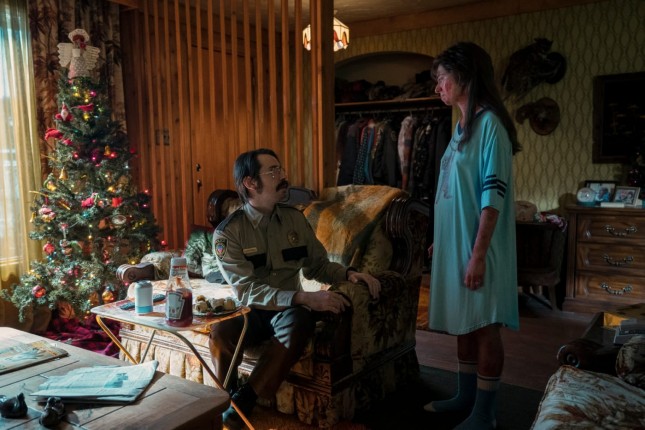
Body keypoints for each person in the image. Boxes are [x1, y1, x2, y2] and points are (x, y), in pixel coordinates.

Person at [209, 148, 381, 430]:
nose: (283, 176)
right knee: (221, 331)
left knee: (300, 321)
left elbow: (318, 266)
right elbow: (246, 290)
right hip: (251, 310)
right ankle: (224, 396)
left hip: (286, 311)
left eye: (281, 169)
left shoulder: (295, 220)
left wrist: (349, 273)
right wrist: (303, 297)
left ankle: (246, 398)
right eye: (273, 171)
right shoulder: (228, 233)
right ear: (250, 183)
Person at [424, 42, 521, 430]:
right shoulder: (460, 127)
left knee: (483, 324)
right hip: (457, 244)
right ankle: (465, 397)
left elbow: (491, 197)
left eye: (442, 78)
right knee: (463, 321)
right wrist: (443, 239)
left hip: (480, 246)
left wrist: (478, 255)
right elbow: (455, 191)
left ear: (464, 76)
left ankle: (485, 413)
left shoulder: (491, 125)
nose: (438, 87)